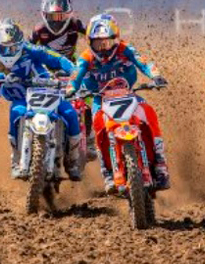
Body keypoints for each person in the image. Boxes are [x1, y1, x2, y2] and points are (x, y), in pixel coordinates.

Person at [67, 13, 170, 192]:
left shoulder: (125, 49)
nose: (103, 48)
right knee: (99, 127)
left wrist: (156, 75)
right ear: (89, 42)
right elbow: (76, 75)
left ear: (115, 39)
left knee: (149, 112)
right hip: (101, 99)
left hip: (128, 94)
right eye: (98, 43)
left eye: (107, 42)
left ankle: (160, 163)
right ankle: (107, 172)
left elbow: (143, 62)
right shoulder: (86, 58)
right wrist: (70, 89)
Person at [0, 18, 83, 181]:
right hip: (21, 97)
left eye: (13, 47)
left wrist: (74, 71)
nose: (9, 52)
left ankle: (72, 160)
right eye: (4, 48)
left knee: (70, 113)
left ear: (20, 43)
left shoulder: (32, 49)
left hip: (45, 89)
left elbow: (58, 59)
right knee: (16, 113)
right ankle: (16, 160)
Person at [29, 0, 97, 161]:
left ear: (68, 13)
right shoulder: (38, 30)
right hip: (45, 71)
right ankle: (31, 137)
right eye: (53, 16)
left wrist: (95, 61)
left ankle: (89, 138)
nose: (57, 20)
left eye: (61, 16)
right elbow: (26, 50)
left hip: (71, 69)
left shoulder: (76, 25)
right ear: (45, 14)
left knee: (87, 98)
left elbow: (95, 39)